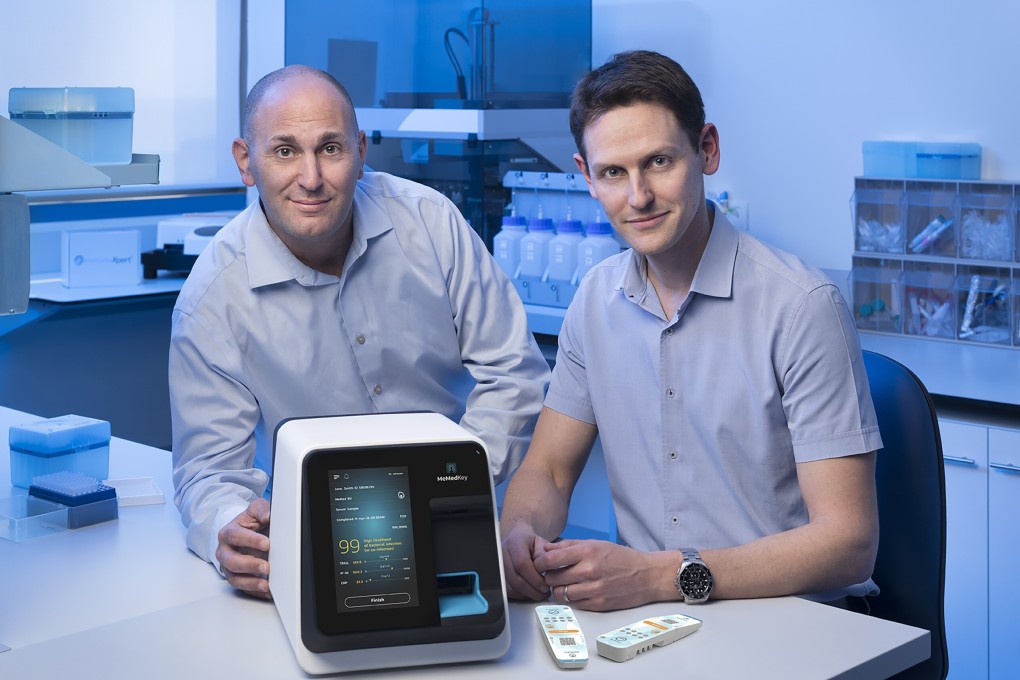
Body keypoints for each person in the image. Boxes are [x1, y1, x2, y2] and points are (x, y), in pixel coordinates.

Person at [499, 50, 883, 612]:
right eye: (613, 172)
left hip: (794, 625)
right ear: (585, 176)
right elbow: (550, 471)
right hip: (652, 624)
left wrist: (661, 577)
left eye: (658, 162)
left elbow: (849, 544)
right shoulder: (595, 301)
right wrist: (520, 535)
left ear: (707, 150)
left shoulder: (801, 306)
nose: (638, 197)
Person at [170, 65, 550, 598]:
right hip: (323, 548)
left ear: (361, 150)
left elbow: (515, 372)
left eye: (330, 148)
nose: (309, 177)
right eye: (284, 151)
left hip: (461, 522)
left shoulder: (430, 223)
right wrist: (228, 530)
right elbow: (208, 471)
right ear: (245, 161)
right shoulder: (211, 301)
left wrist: (448, 486)